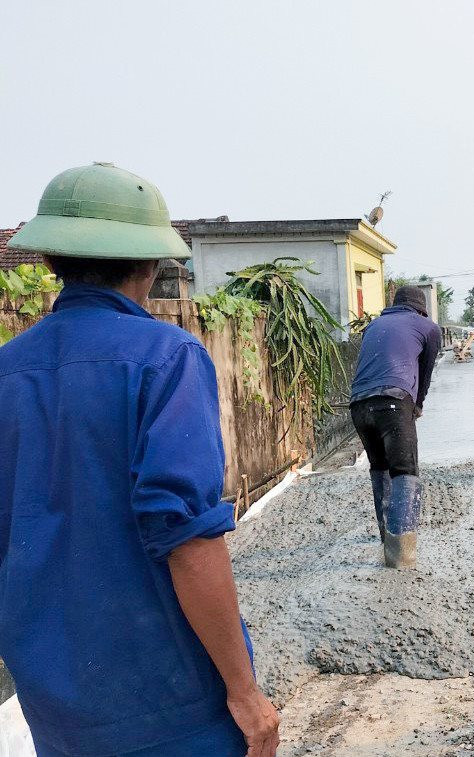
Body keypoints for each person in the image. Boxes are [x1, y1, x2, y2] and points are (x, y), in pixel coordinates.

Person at [0, 163, 279, 756]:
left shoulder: (7, 371)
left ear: (51, 261)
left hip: (55, 708)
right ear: (151, 266)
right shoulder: (166, 358)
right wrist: (244, 693)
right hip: (168, 702)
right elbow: (186, 539)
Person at [350, 285, 442, 569]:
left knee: (379, 467)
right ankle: (401, 557)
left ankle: (385, 539)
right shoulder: (428, 327)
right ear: (421, 308)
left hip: (358, 405)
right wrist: (417, 406)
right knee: (405, 471)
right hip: (393, 401)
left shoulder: (374, 325)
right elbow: (424, 374)